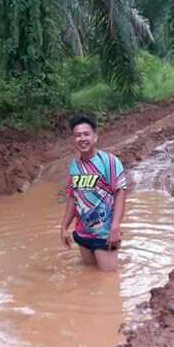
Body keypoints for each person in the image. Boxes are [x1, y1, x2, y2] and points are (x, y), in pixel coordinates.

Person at [60, 113, 128, 271]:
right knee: (90, 277)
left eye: (86, 134)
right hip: (82, 234)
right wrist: (64, 227)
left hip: (104, 235)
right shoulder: (74, 166)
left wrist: (115, 228)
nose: (82, 138)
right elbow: (72, 198)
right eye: (77, 135)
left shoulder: (109, 162)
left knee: (109, 281)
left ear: (95, 137)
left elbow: (120, 194)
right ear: (73, 140)